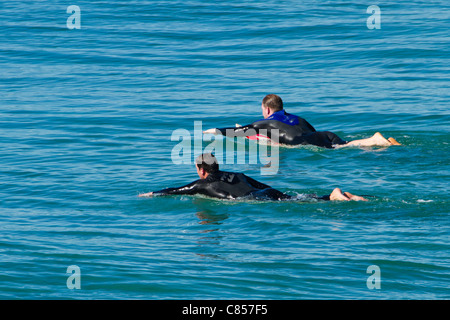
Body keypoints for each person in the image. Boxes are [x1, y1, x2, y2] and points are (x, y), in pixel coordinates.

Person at [138, 153, 367, 201]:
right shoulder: (237, 173)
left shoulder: (201, 184)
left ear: (201, 170)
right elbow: (264, 185)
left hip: (257, 200)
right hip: (265, 192)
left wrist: (151, 193)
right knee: (294, 198)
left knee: (296, 203)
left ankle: (335, 197)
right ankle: (335, 195)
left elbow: (177, 190)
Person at [203, 94, 401, 149]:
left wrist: (212, 131)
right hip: (325, 134)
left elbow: (239, 131)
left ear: (267, 109)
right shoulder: (298, 118)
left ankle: (375, 141)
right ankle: (376, 140)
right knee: (344, 145)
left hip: (307, 143)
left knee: (339, 150)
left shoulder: (265, 123)